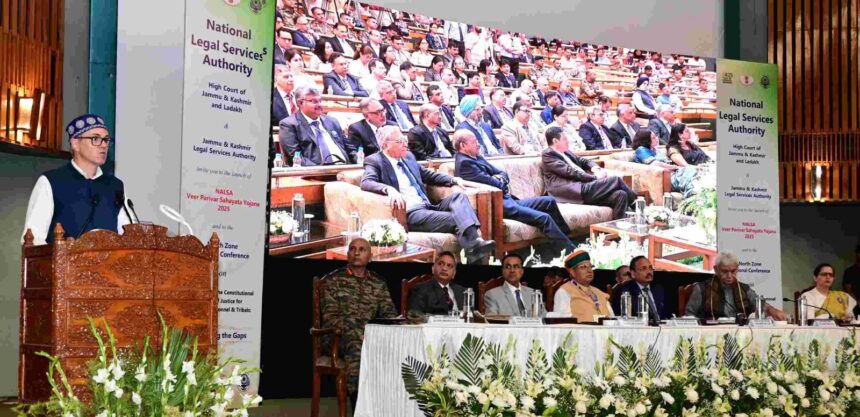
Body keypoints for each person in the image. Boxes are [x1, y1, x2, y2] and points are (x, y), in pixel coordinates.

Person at [361, 126, 495, 263]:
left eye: (404, 140)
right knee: (460, 218)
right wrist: (388, 189)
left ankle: (473, 248)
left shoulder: (408, 157)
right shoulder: (375, 161)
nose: (405, 144)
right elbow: (367, 182)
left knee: (459, 197)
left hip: (427, 206)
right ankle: (475, 250)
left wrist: (453, 180)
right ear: (385, 145)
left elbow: (427, 175)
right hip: (411, 213)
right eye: (399, 141)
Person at [453, 129, 575, 254]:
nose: (478, 144)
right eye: (474, 142)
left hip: (509, 200)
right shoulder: (465, 164)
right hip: (501, 207)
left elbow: (502, 173)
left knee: (549, 201)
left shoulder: (476, 157)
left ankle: (568, 240)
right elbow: (496, 184)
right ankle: (570, 252)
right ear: (463, 145)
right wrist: (499, 180)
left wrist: (499, 179)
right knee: (544, 218)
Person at [23, 114, 131, 245]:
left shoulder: (115, 186)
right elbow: (33, 240)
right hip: (63, 259)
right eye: (95, 138)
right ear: (75, 143)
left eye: (106, 140)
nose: (103, 145)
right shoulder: (51, 182)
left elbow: (129, 236)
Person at [319, 237, 396, 405]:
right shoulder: (333, 281)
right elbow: (331, 318)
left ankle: (387, 402)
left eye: (362, 250)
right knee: (357, 344)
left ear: (370, 256)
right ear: (347, 254)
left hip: (369, 336)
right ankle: (358, 401)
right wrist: (359, 331)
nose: (356, 253)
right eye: (352, 249)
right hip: (337, 338)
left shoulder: (378, 283)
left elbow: (390, 315)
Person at [542, 126, 636, 219]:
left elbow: (583, 161)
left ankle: (619, 227)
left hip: (584, 186)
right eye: (565, 139)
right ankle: (636, 205)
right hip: (573, 190)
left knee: (621, 195)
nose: (568, 141)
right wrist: (595, 177)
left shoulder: (566, 152)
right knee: (615, 180)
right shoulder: (548, 155)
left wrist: (595, 168)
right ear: (555, 141)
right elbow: (570, 172)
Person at [684, 251, 788, 320]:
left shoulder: (744, 289)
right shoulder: (702, 289)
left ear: (737, 269)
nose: (729, 276)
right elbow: (689, 317)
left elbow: (760, 304)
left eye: (733, 271)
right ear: (716, 269)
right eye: (725, 271)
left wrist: (772, 310)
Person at [279, 86, 352, 166]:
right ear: (300, 103)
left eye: (320, 101)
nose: (319, 105)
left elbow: (349, 148)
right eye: (314, 101)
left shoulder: (332, 121)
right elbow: (295, 157)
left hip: (345, 167)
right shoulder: (289, 124)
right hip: (315, 171)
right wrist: (321, 170)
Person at [552, 250, 614, 322]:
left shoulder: (600, 293)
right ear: (572, 272)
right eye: (583, 267)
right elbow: (562, 323)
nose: (589, 271)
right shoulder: (564, 291)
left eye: (590, 267)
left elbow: (613, 319)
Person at [632, 130, 698, 197]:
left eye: (656, 136)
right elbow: (655, 164)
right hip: (662, 177)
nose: (657, 138)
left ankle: (693, 194)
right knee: (690, 171)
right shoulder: (641, 150)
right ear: (646, 141)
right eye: (653, 138)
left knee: (694, 172)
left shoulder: (655, 150)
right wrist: (675, 167)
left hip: (672, 173)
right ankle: (691, 195)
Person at [610, 256, 669, 320]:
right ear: (633, 274)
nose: (649, 272)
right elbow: (619, 317)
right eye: (644, 269)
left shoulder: (658, 288)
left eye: (650, 268)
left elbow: (667, 314)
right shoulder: (624, 291)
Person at [408, 251, 466, 317]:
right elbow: (415, 316)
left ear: (454, 274)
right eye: (440, 264)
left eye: (449, 265)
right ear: (433, 269)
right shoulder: (420, 289)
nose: (444, 268)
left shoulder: (462, 291)